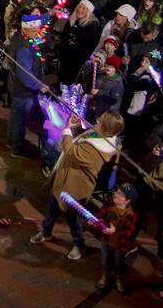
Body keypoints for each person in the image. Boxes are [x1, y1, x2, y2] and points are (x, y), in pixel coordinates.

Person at [31, 111, 124, 260]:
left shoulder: (98, 149)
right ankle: (46, 232)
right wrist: (76, 127)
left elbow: (71, 152)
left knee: (72, 217)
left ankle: (79, 244)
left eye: (101, 120)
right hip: (64, 179)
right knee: (52, 207)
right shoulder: (98, 134)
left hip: (75, 187)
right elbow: (82, 139)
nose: (97, 119)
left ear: (106, 128)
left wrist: (67, 129)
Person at [6, 13, 49, 154]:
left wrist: (51, 14)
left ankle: (12, 140)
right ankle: (17, 147)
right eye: (34, 30)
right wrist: (39, 86)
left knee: (15, 117)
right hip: (23, 90)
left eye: (37, 29)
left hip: (17, 87)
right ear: (26, 29)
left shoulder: (20, 37)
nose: (37, 32)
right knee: (19, 119)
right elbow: (25, 73)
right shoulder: (24, 47)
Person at [96, 183, 140, 293]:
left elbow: (129, 233)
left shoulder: (131, 215)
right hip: (106, 241)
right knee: (105, 260)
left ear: (127, 201)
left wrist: (115, 231)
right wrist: (97, 221)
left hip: (120, 245)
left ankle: (119, 278)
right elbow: (101, 215)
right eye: (116, 191)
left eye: (120, 193)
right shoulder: (109, 205)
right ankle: (106, 276)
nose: (115, 194)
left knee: (119, 262)